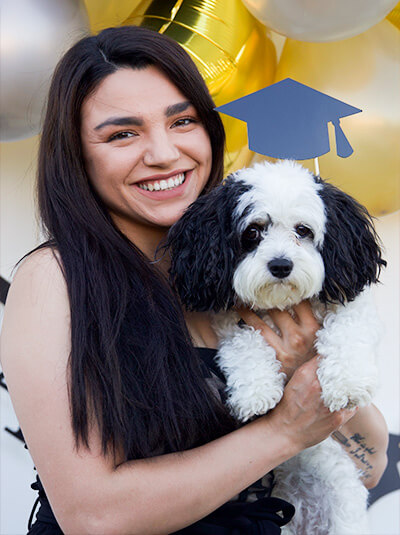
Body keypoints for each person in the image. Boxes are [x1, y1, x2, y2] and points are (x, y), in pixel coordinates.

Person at [0, 25, 388, 535]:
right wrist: (283, 431)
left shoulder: (243, 279)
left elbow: (368, 466)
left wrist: (309, 367)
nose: (163, 153)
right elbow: (93, 517)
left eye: (182, 121)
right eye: (122, 133)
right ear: (77, 155)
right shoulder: (54, 281)